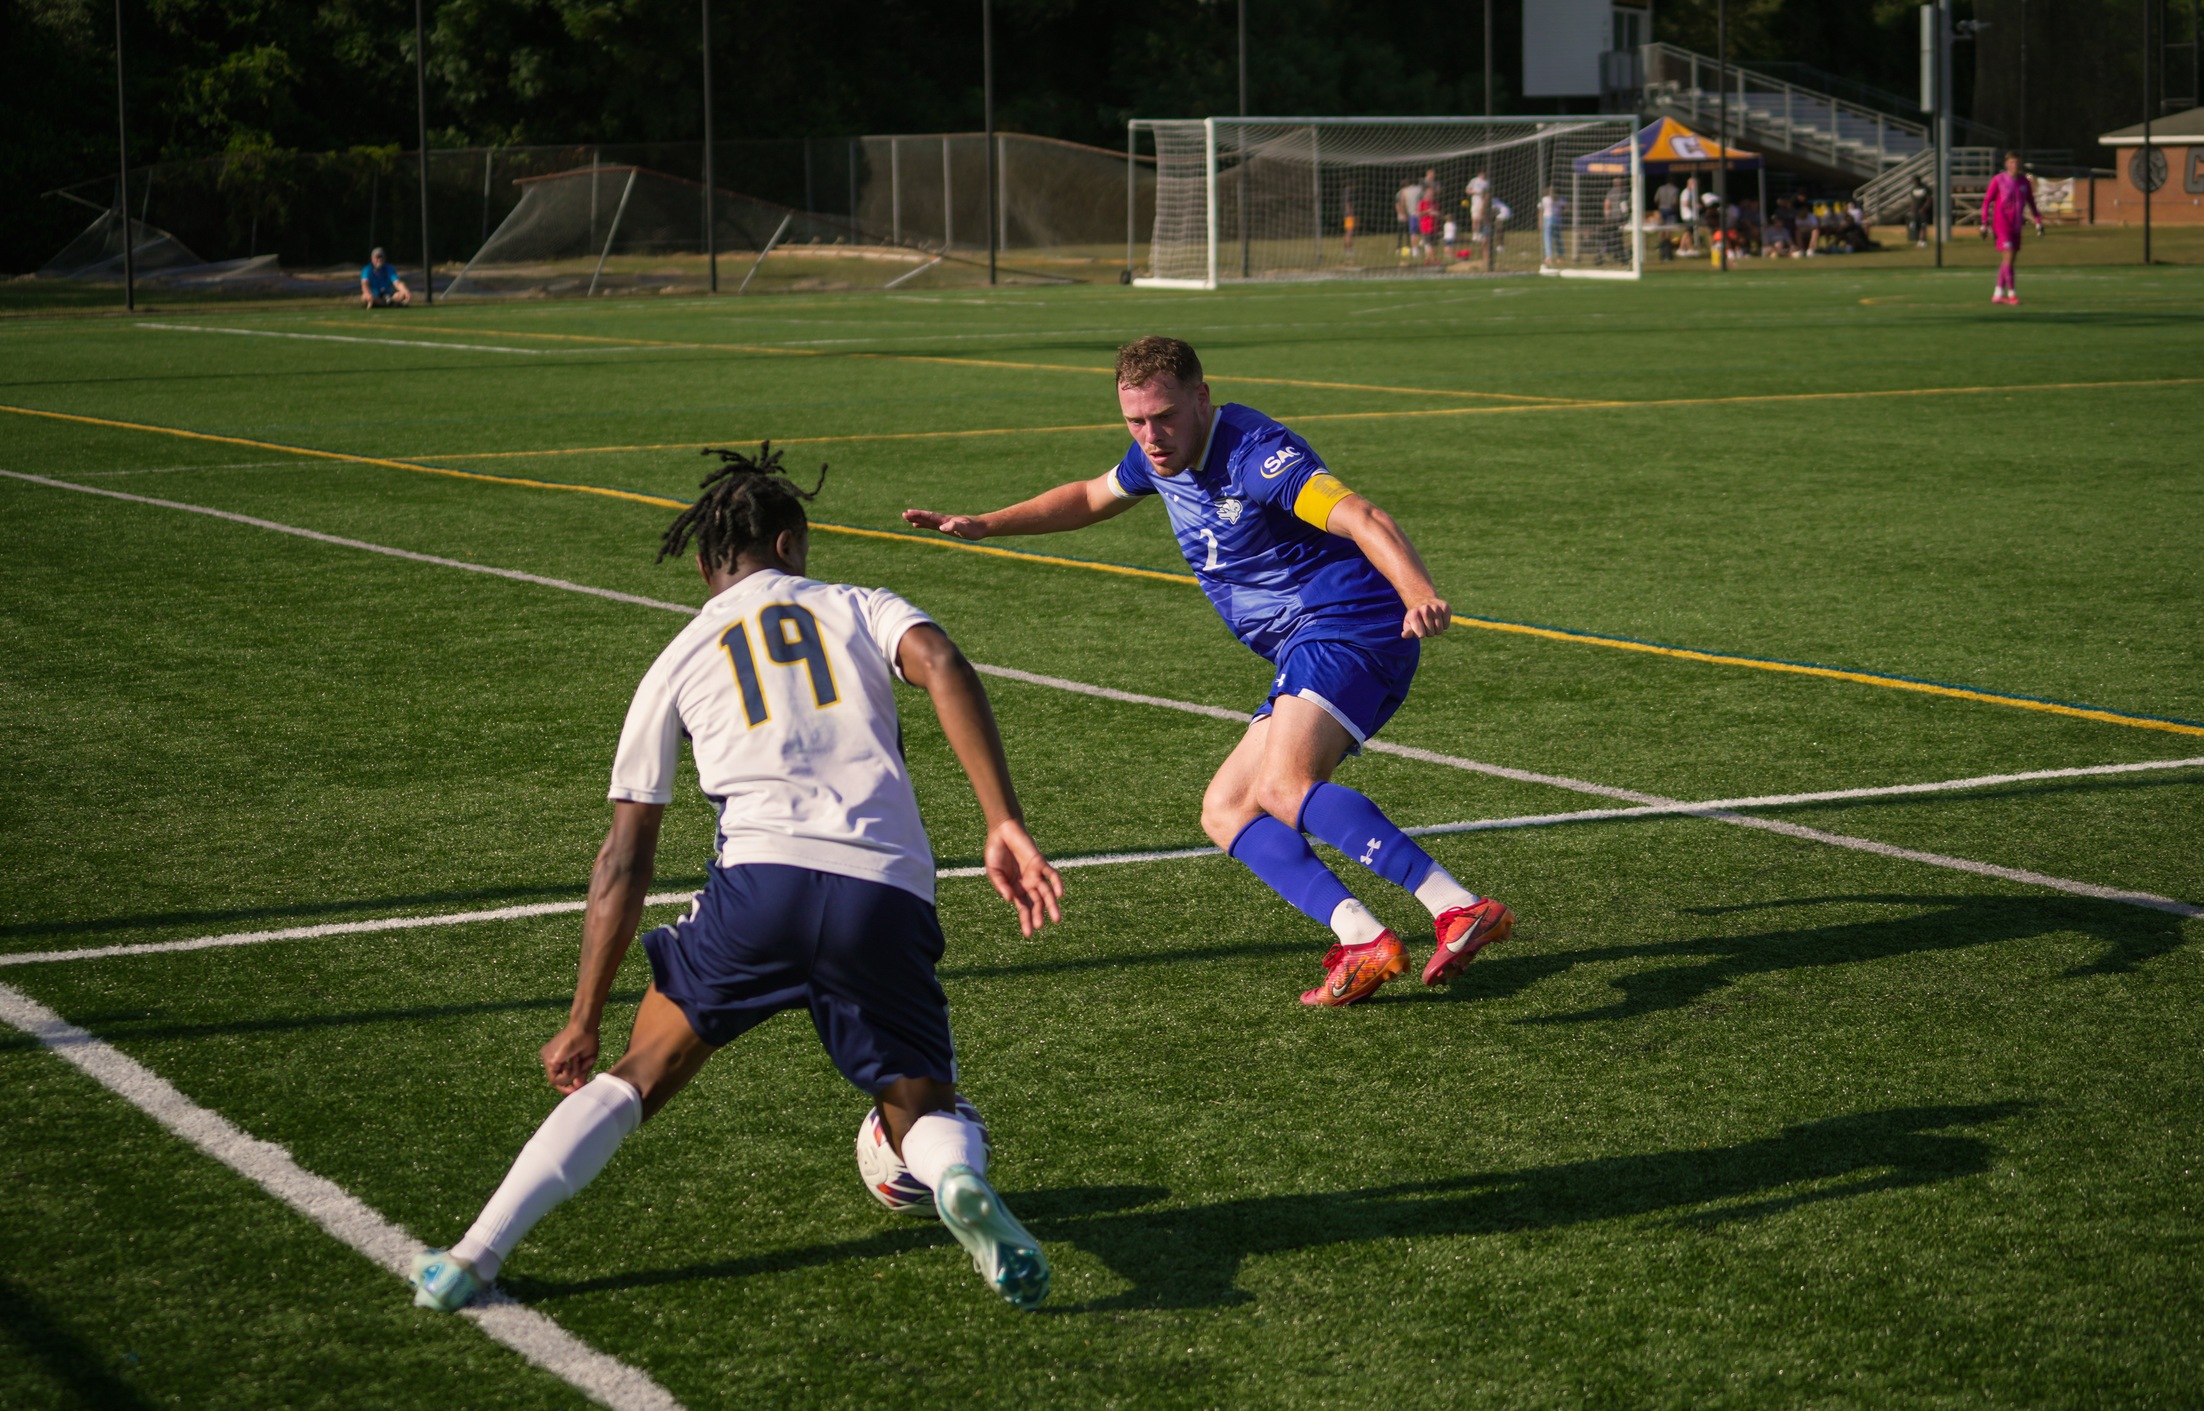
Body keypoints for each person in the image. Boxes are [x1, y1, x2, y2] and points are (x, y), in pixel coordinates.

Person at [408, 447, 1067, 1316]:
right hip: (885, 893)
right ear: (790, 542)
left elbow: (623, 858)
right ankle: (951, 1179)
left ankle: (472, 1256)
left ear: (701, 564)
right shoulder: (856, 606)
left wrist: (581, 1015)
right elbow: (941, 662)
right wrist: (1002, 819)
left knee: (636, 1072)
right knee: (917, 1094)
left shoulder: (677, 657)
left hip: (759, 891)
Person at [901, 337, 1515, 1009]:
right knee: (1226, 808)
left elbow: (1361, 515)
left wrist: (1417, 591)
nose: (1149, 436)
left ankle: (1454, 905)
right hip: (1307, 645)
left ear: (1200, 398)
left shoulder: (1257, 455)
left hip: (1348, 624)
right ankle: (1361, 936)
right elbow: (1088, 495)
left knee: (1285, 787)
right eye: (1134, 421)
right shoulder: (1157, 455)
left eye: (1162, 416)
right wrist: (986, 524)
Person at [1979, 151, 2044, 305]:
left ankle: (1998, 294)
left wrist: (2038, 220)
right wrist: (1984, 223)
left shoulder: (2024, 182)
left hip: (2016, 225)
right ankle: (2012, 294)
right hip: (2001, 224)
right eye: (2012, 162)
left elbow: (2031, 202)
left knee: (2009, 260)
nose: (2015, 165)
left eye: (2017, 162)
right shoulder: (1999, 180)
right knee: (2008, 257)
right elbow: (1987, 200)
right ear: (2007, 164)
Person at [1396, 176, 1422, 261]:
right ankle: (1401, 247)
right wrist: (1402, 213)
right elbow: (1398, 204)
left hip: (1410, 214)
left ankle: (1413, 249)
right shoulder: (1419, 189)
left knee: (1411, 232)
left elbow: (1402, 203)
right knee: (1409, 232)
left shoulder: (1404, 192)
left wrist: (1404, 212)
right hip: (1418, 214)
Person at [1466, 170, 1492, 243]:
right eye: (1481, 173)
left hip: (1484, 202)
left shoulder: (1487, 182)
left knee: (1484, 218)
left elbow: (1488, 194)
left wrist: (1485, 199)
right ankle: (1475, 235)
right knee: (1475, 219)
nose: (1483, 175)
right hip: (1475, 202)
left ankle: (1486, 234)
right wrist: (1476, 192)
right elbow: (1467, 190)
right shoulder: (1474, 180)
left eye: (1484, 173)